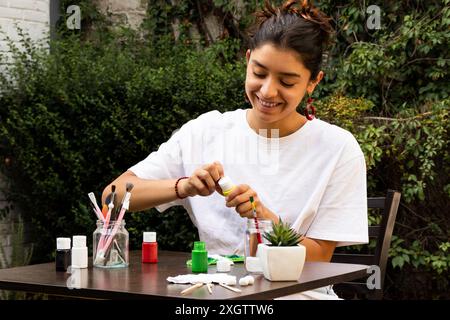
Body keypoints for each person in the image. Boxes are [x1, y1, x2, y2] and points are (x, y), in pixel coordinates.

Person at [103, 0, 368, 299]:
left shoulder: (337, 148)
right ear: (247, 60)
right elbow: (113, 196)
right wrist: (183, 186)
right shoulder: (205, 131)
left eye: (287, 81)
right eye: (259, 72)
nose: (268, 91)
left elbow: (319, 258)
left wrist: (264, 217)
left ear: (312, 83)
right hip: (216, 294)